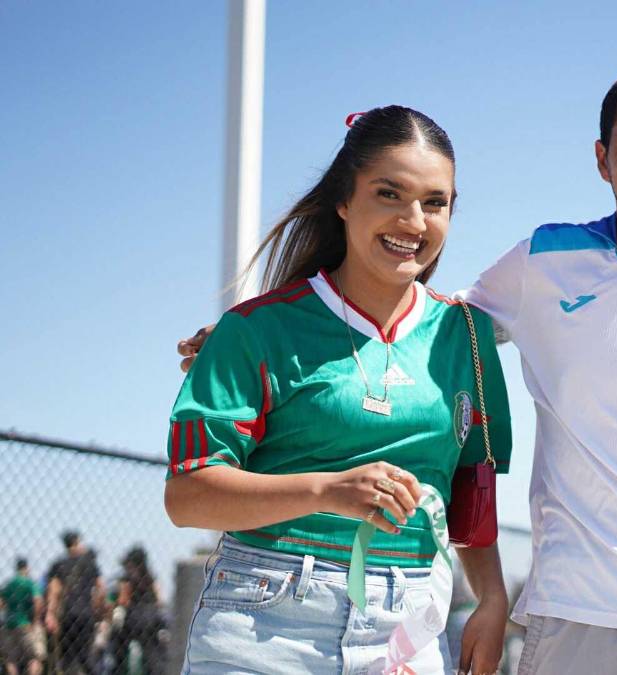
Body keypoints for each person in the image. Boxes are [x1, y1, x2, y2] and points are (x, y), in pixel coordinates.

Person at [180, 64, 617, 674]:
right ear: (602, 158)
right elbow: (416, 314)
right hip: (573, 618)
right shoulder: (543, 262)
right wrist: (255, 332)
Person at [165, 105, 513, 674]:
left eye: (435, 203)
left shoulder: (467, 337)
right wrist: (327, 490)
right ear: (344, 201)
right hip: (265, 623)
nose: (413, 221)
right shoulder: (256, 330)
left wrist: (492, 597)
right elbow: (187, 495)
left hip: (410, 625)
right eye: (389, 194)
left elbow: (471, 488)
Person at [45, 531, 103, 675]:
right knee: (86, 656)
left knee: (67, 657)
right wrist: (96, 608)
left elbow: (54, 591)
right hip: (86, 614)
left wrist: (50, 614)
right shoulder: (89, 564)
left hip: (67, 614)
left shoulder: (59, 564)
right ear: (77, 542)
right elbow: (101, 589)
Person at [111, 547, 164, 675]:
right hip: (151, 617)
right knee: (152, 654)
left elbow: (123, 600)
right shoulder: (150, 578)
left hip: (133, 618)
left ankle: (118, 670)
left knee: (119, 647)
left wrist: (115, 603)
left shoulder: (126, 579)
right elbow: (160, 600)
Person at [1, 558, 46, 675]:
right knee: (34, 657)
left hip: (9, 624)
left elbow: (1, 603)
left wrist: (9, 609)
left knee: (11, 659)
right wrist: (36, 620)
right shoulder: (30, 583)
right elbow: (38, 601)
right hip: (26, 623)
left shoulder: (9, 584)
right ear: (27, 568)